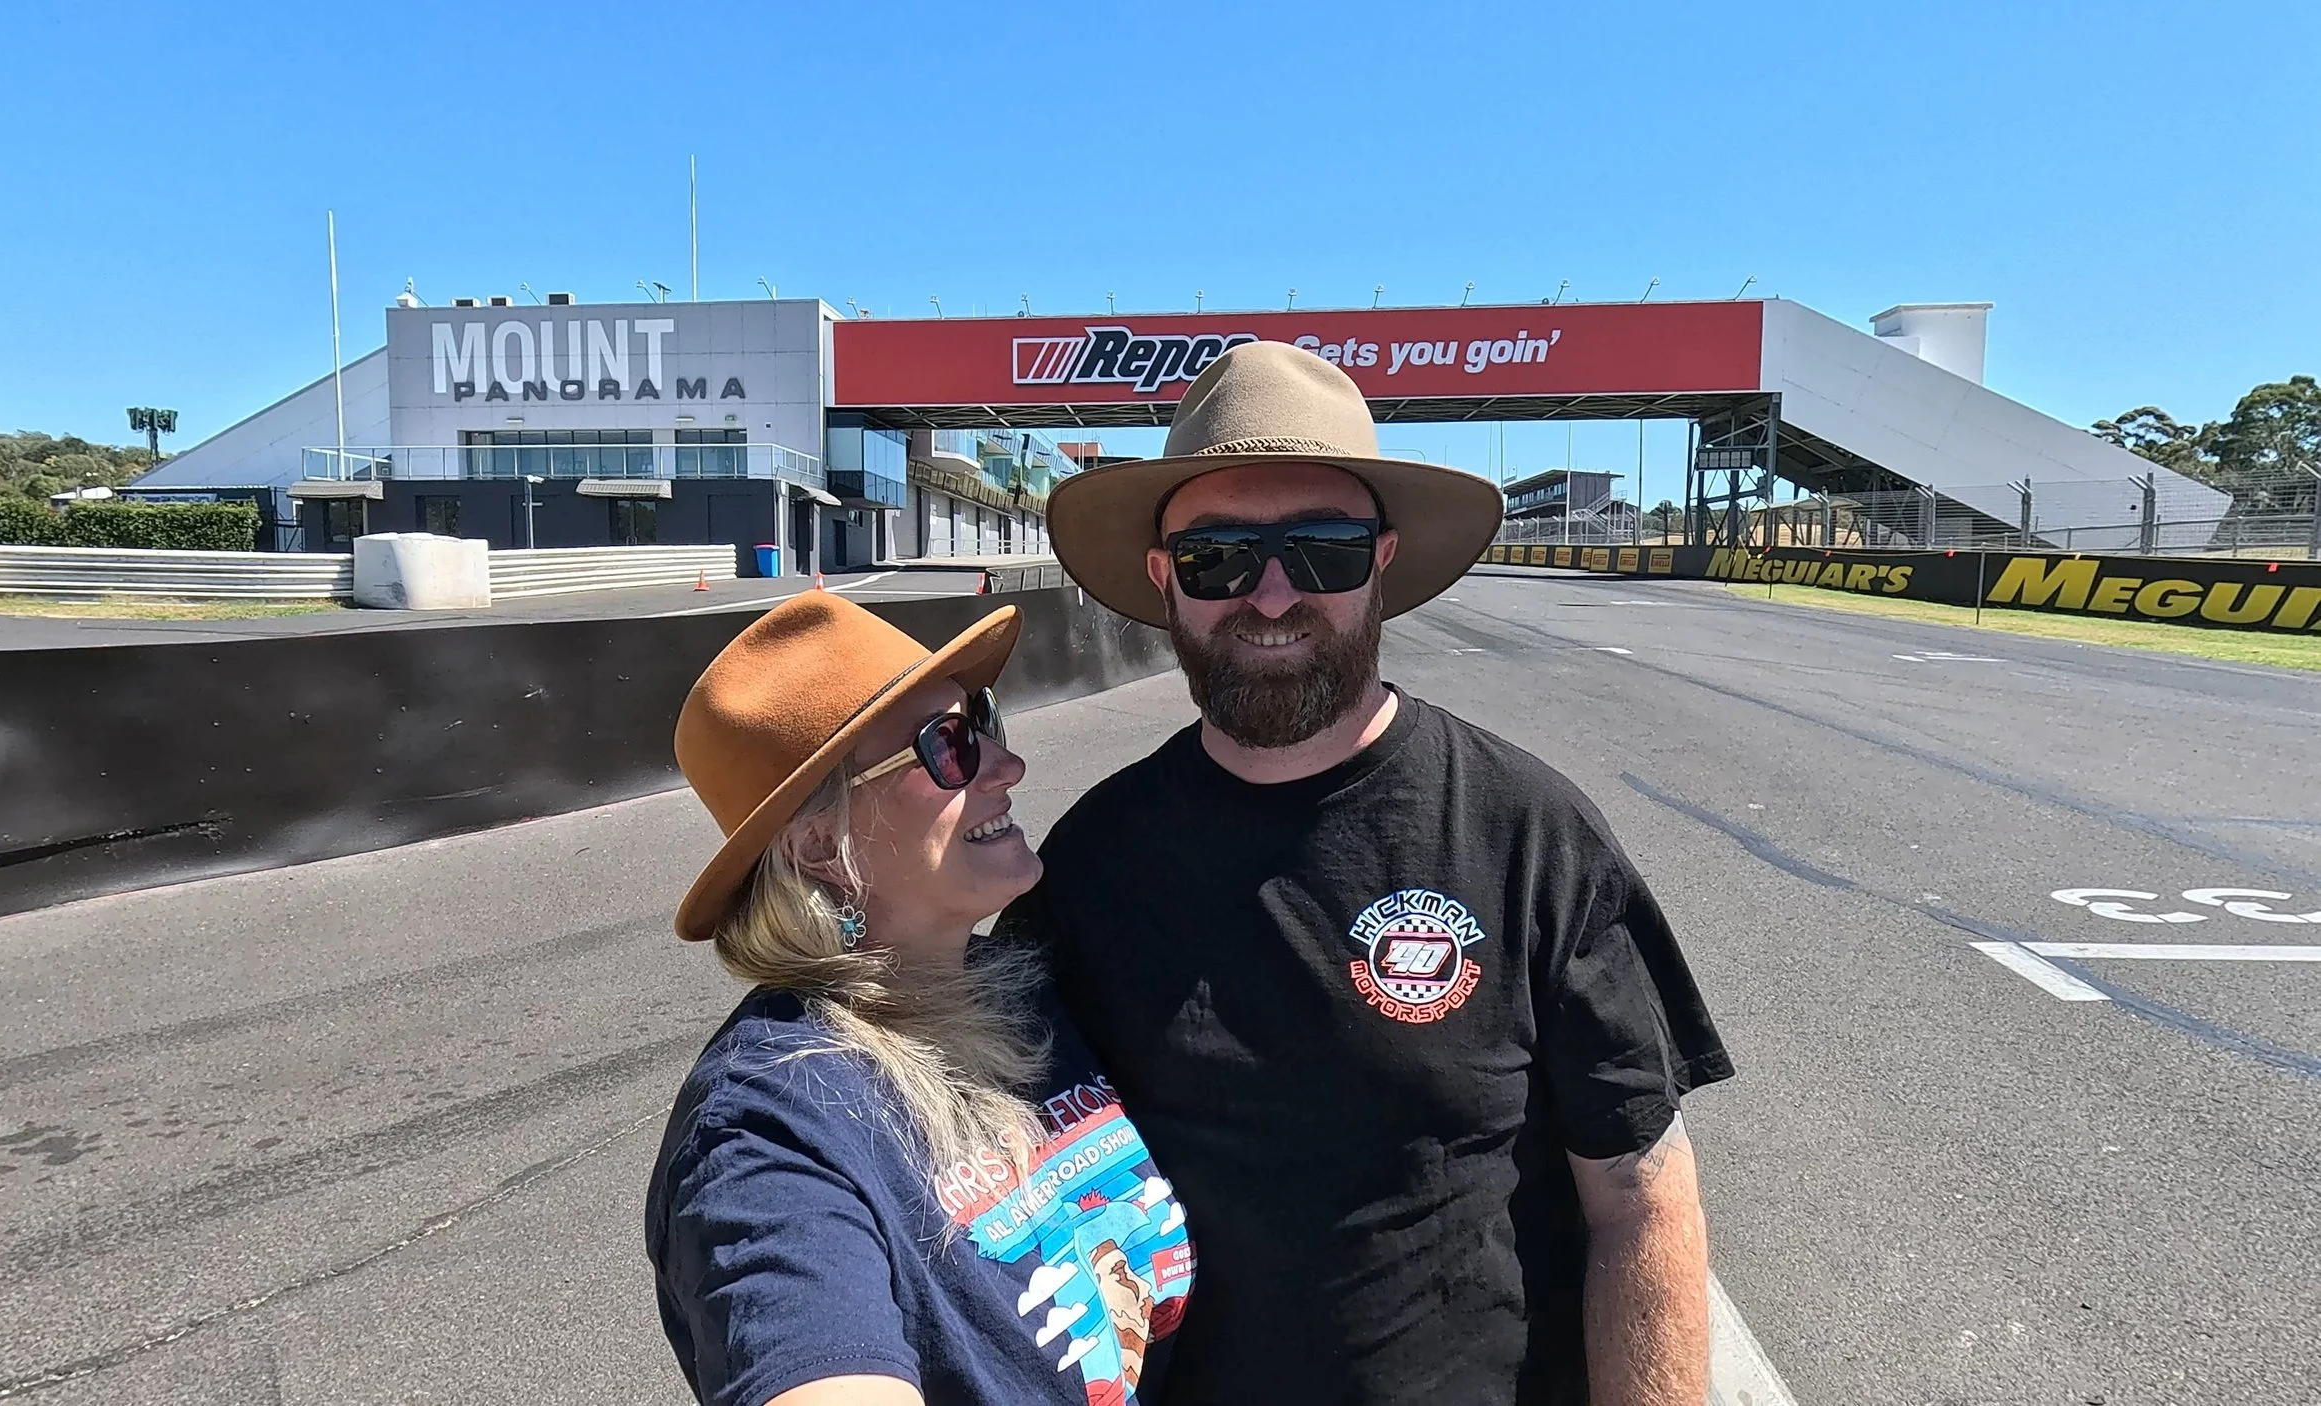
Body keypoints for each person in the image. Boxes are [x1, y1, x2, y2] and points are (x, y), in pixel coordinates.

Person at [999, 341, 1734, 1405]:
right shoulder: (1087, 865)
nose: (1271, 593)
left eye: (1323, 550)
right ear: (1164, 580)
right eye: (1218, 558)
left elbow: (1642, 1200)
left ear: (1381, 561)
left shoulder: (1529, 832)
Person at [647, 593, 1194, 1406]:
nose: (1006, 766)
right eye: (947, 747)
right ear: (819, 845)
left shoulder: (1023, 985)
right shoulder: (769, 1126)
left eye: (984, 720)